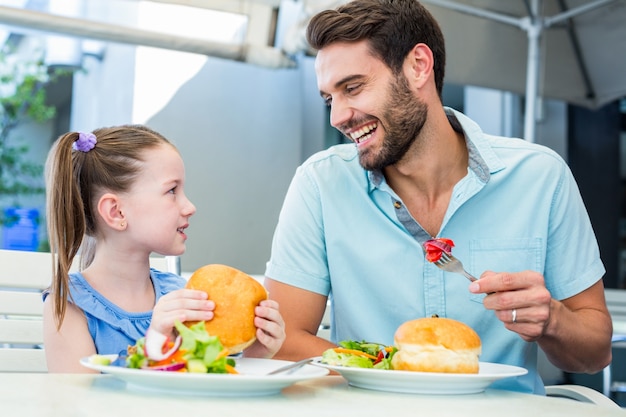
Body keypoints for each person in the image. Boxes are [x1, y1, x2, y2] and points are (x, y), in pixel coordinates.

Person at [264, 0, 612, 393]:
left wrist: (552, 321)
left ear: (418, 66)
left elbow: (595, 353)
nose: (337, 116)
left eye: (353, 88)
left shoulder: (541, 177)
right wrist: (394, 375)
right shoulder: (320, 184)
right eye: (330, 98)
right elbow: (282, 343)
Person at [43, 125, 285, 373]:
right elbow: (79, 403)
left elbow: (210, 390)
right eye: (172, 191)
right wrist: (155, 347)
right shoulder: (68, 306)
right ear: (116, 212)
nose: (190, 206)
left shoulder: (182, 295)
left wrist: (255, 357)